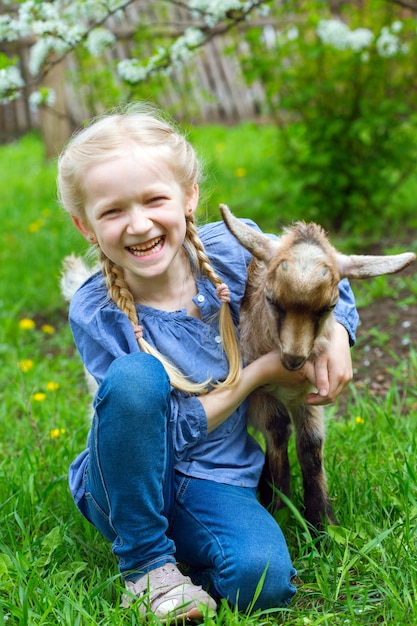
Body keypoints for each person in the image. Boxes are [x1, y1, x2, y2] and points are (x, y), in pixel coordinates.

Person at [57, 103, 358, 622]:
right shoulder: (96, 310)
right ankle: (147, 564)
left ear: (190, 196)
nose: (138, 224)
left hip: (216, 477)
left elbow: (322, 273)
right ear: (85, 225)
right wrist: (259, 375)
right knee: (136, 378)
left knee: (260, 582)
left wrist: (340, 336)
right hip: (125, 483)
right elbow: (164, 431)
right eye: (112, 211)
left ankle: (191, 554)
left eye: (155, 199)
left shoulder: (231, 250)